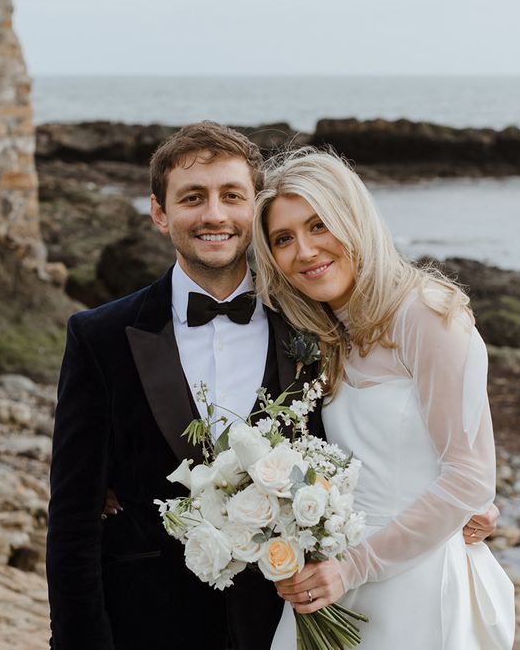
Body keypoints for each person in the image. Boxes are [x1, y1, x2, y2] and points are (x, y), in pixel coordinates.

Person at [46, 123, 325, 650]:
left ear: (255, 209)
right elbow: (72, 519)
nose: (215, 215)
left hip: (284, 625)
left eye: (232, 196)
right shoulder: (100, 337)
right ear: (159, 212)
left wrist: (467, 500)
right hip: (144, 625)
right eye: (192, 198)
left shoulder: (313, 329)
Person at [252, 148, 516, 649]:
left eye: (319, 225)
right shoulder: (326, 332)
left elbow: (469, 474)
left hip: (413, 579)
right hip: (339, 576)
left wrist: (354, 567)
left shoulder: (428, 316)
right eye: (283, 239)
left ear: (354, 219)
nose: (304, 250)